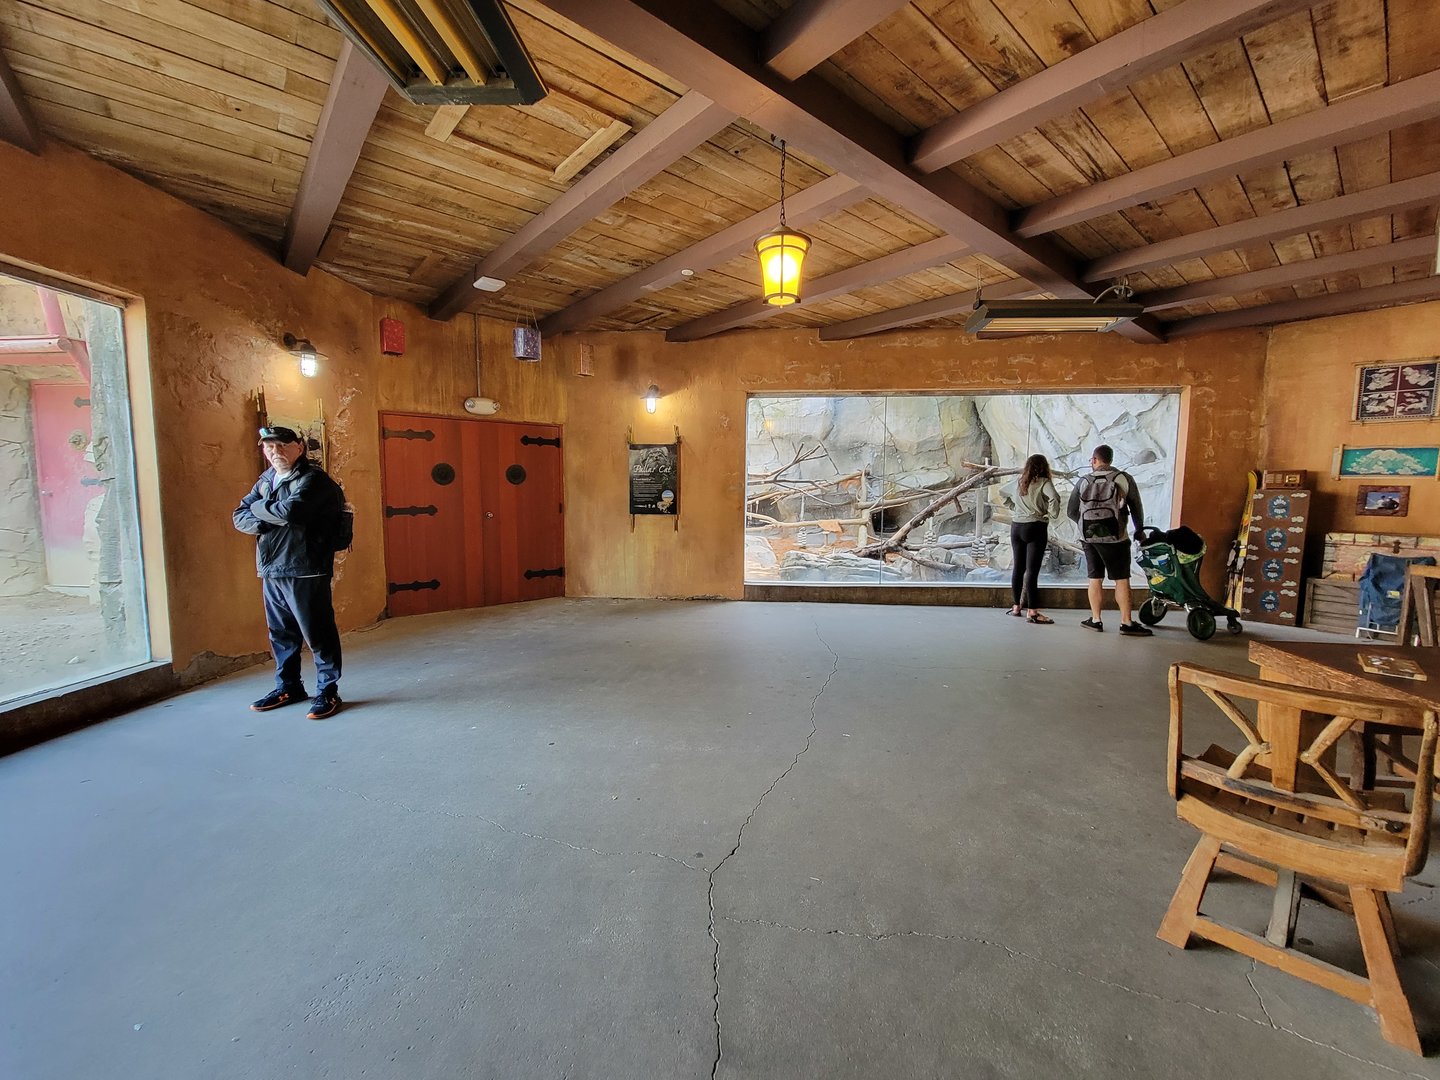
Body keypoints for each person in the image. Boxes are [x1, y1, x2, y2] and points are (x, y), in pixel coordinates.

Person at [233, 425, 347, 718]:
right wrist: (265, 518)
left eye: (283, 445)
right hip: (271, 569)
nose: (276, 452)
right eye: (269, 446)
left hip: (305, 568)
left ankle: (328, 691)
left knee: (317, 633)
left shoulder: (314, 480)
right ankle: (288, 686)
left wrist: (260, 508)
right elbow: (239, 515)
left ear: (299, 447)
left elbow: (292, 512)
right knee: (281, 634)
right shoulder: (266, 480)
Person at [1067, 443, 1151, 637]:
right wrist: (1139, 531)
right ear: (1111, 460)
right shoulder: (1123, 478)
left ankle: (1096, 619)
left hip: (1089, 538)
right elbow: (1136, 507)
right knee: (1121, 579)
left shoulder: (1084, 481)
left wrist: (1085, 525)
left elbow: (1071, 511)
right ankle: (1126, 622)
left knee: (1095, 578)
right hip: (1116, 538)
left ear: (1095, 460)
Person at [1001, 454, 1060, 624]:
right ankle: (1032, 612)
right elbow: (1054, 497)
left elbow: (1002, 492)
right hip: (1036, 526)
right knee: (1032, 571)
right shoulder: (1044, 482)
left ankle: (1016, 607)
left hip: (1017, 527)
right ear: (1044, 467)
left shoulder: (1019, 482)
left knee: (1018, 568)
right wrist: (1051, 514)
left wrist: (1013, 507)